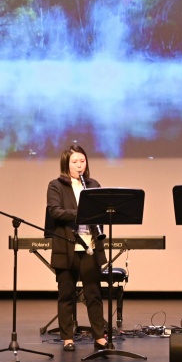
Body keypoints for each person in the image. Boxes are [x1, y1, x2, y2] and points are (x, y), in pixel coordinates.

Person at [47, 145, 107, 351]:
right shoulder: (56, 185)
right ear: (66, 163)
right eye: (75, 162)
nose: (79, 165)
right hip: (67, 246)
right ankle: (67, 338)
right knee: (66, 294)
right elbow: (55, 211)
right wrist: (82, 211)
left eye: (82, 161)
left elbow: (100, 211)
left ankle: (99, 336)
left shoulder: (93, 184)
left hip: (90, 246)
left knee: (94, 293)